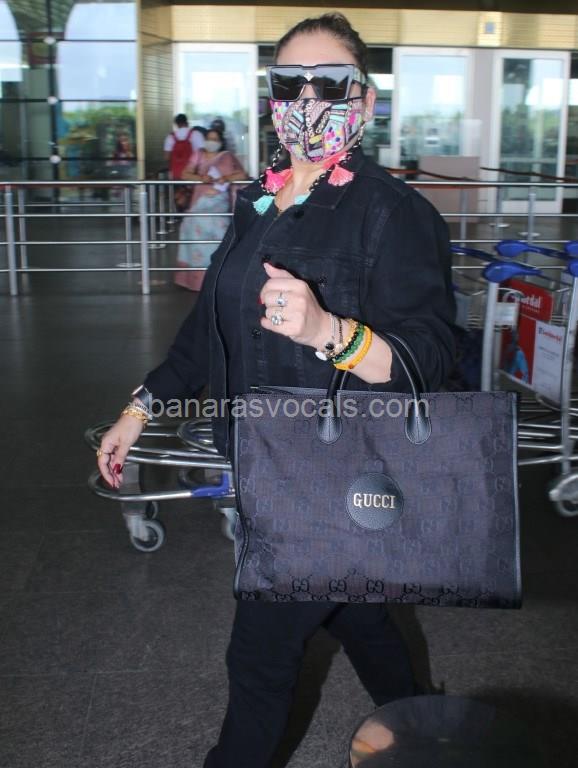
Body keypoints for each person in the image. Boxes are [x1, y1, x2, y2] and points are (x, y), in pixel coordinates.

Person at [96, 12, 456, 768]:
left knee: (259, 659)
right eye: (290, 84)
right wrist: (141, 406)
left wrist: (331, 331)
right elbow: (208, 326)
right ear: (271, 98)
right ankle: (424, 725)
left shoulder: (393, 213)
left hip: (338, 478)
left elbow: (429, 355)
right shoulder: (257, 201)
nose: (308, 100)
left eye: (331, 84)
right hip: (261, 463)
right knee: (358, 615)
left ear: (365, 102)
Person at [174, 126, 246, 291]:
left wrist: (225, 177)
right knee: (192, 227)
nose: (211, 142)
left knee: (218, 230)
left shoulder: (227, 157)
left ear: (221, 142)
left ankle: (218, 275)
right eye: (209, 138)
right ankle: (196, 280)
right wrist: (201, 177)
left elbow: (241, 174)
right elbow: (185, 174)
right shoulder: (198, 155)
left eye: (215, 139)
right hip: (200, 201)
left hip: (219, 201)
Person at [164, 113, 206, 181]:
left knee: (177, 187)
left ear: (176, 124)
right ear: (187, 122)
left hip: (175, 173)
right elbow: (202, 154)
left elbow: (167, 157)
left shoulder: (170, 137)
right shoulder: (196, 134)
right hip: (193, 174)